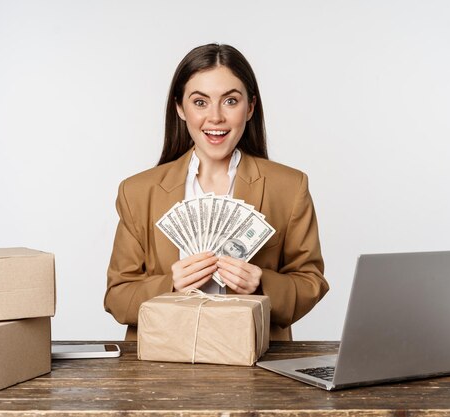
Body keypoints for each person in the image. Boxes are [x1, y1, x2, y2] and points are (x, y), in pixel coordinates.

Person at [104, 43, 329, 341]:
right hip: (164, 361)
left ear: (250, 108)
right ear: (180, 108)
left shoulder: (289, 187)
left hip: (255, 360)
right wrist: (170, 285)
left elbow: (311, 282)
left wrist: (262, 284)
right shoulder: (137, 192)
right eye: (200, 102)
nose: (215, 117)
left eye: (230, 101)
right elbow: (117, 297)